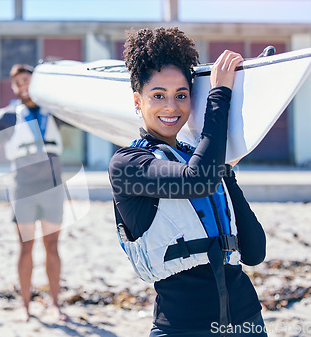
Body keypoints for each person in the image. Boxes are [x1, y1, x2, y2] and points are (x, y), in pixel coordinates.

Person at [108, 27, 267, 336]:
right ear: (137, 102)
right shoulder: (127, 164)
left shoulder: (203, 162)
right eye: (158, 96)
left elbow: (254, 252)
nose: (171, 107)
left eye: (182, 95)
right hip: (182, 326)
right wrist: (219, 95)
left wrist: (227, 172)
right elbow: (197, 181)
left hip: (247, 320)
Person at [0, 64, 68, 322]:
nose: (23, 86)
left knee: (52, 246)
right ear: (13, 87)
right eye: (17, 83)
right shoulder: (7, 116)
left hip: (52, 186)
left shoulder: (56, 112)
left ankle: (55, 304)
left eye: (27, 80)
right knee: (25, 247)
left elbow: (86, 114)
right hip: (23, 187)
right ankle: (25, 306)